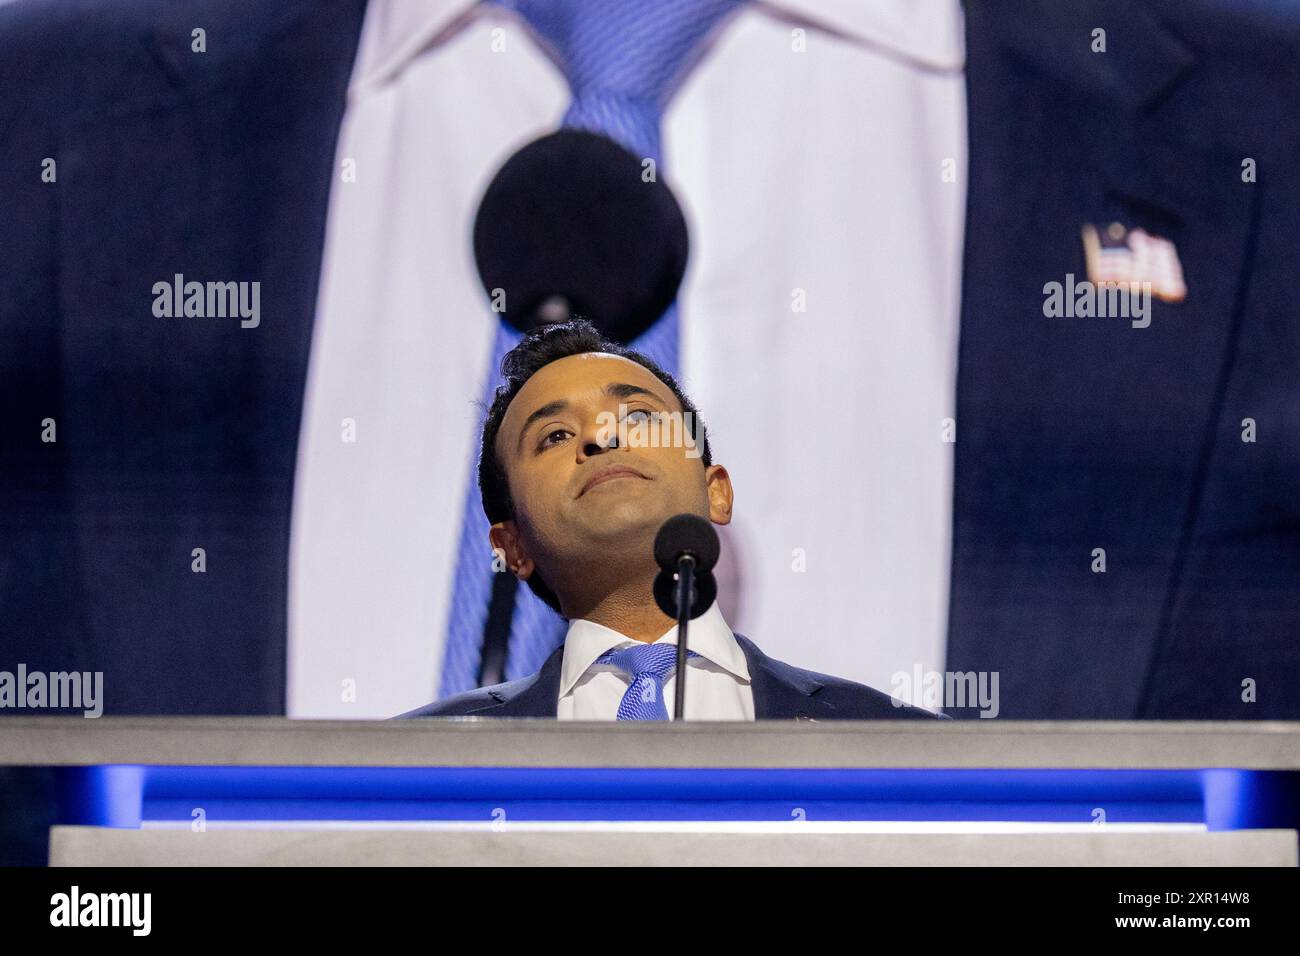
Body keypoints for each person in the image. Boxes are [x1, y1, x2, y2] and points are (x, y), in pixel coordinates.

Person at [399, 320, 944, 720]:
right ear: (511, 546)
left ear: (717, 493)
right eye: (555, 436)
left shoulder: (899, 742)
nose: (600, 437)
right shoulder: (417, 759)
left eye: (638, 416)